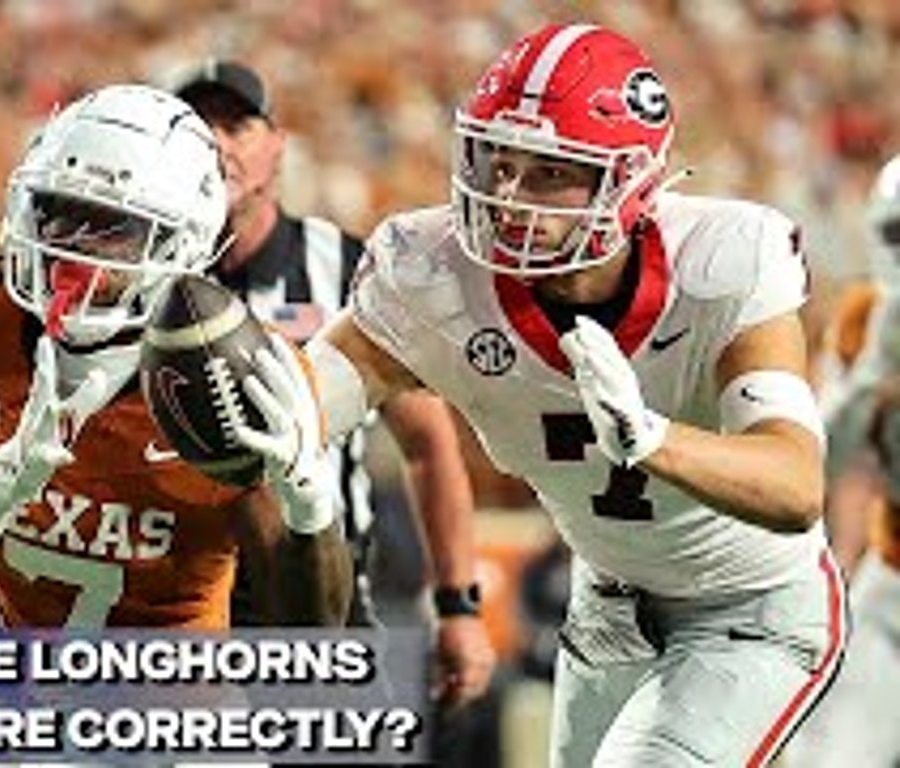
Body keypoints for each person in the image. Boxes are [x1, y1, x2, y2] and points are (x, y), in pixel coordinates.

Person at [238, 23, 846, 766]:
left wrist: (654, 440)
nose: (510, 196)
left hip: (750, 608)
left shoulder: (723, 262)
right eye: (500, 160)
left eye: (552, 171)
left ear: (632, 182)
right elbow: (295, 405)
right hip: (606, 606)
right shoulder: (432, 273)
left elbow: (794, 485)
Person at [0, 83, 350, 629]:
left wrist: (309, 504)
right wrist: (4, 481)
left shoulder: (235, 377)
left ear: (183, 244)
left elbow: (312, 640)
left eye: (112, 226)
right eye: (60, 210)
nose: (71, 246)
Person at [172, 59, 494, 707]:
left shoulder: (347, 269)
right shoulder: (143, 269)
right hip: (178, 613)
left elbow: (429, 444)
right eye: (197, 126)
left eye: (237, 124)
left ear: (278, 144)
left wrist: (457, 603)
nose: (216, 143)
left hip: (324, 599)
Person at [784, 155, 900, 768]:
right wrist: (870, 379)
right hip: (892, 571)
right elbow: (815, 466)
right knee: (837, 753)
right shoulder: (866, 320)